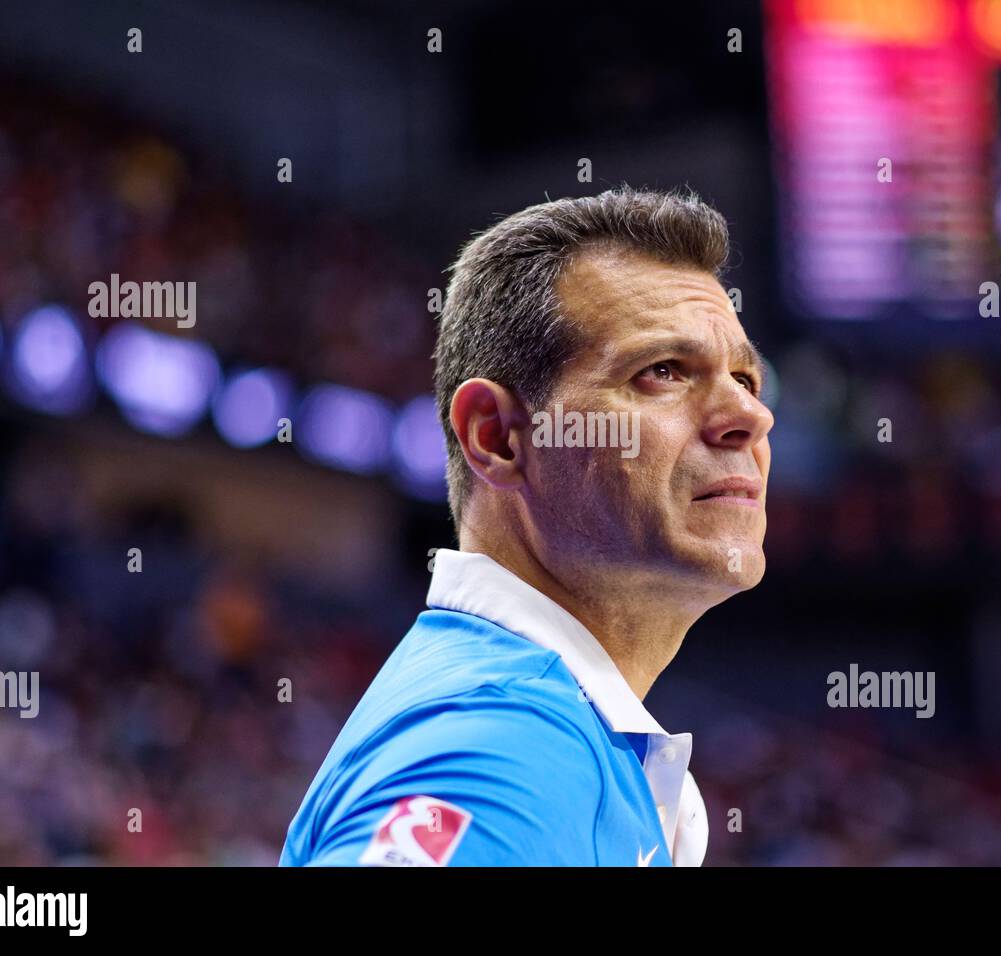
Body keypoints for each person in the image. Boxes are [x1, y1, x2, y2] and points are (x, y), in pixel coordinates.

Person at [281, 186, 773, 866]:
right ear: (499, 437)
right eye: (663, 371)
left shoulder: (546, 730)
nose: (749, 415)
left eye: (746, 378)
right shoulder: (495, 749)